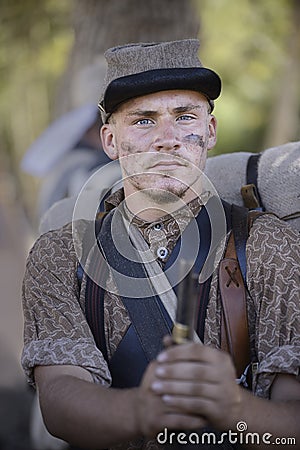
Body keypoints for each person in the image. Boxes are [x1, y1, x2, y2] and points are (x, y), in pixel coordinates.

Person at [21, 39, 300, 450]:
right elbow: (60, 399)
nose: (168, 139)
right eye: (143, 120)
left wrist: (234, 409)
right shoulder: (60, 256)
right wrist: (141, 412)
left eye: (185, 116)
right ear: (110, 141)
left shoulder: (269, 244)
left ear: (209, 131)